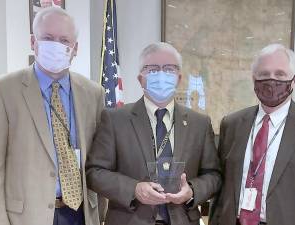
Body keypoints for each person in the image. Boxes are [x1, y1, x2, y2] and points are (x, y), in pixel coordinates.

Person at [0, 7, 103, 225]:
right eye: (48, 38)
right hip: (26, 217)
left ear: (75, 48)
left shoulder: (93, 93)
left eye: (64, 40)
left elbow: (99, 161)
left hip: (81, 214)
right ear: (34, 42)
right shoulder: (3, 90)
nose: (56, 45)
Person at [85, 42, 221, 225]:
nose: (161, 75)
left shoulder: (200, 124)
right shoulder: (115, 119)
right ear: (140, 79)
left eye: (169, 69)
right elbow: (95, 172)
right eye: (153, 69)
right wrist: (134, 189)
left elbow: (213, 175)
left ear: (179, 78)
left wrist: (192, 191)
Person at [210, 43, 295, 225]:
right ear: (254, 79)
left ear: (294, 80)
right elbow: (222, 185)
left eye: (280, 74)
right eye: (264, 75)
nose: (271, 81)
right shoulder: (231, 124)